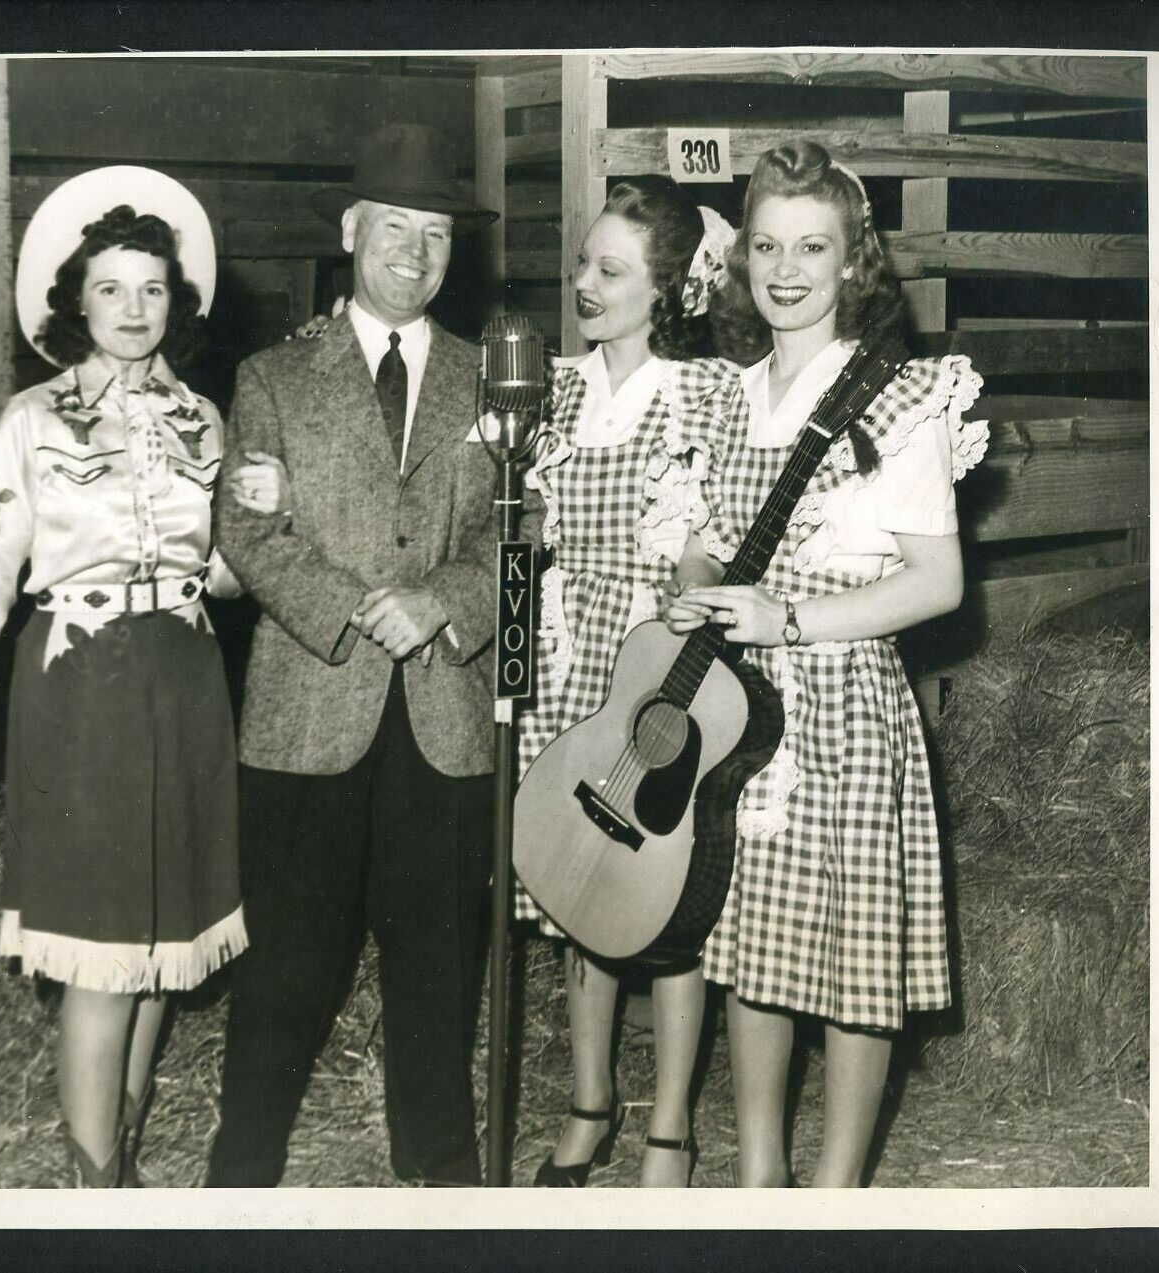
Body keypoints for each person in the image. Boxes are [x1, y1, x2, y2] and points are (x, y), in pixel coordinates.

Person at [0, 167, 286, 1187]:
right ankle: (97, 1187)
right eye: (111, 288)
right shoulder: (32, 420)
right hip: (80, 689)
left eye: (152, 289)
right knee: (100, 945)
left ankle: (121, 1120)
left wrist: (259, 517)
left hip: (184, 679)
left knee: (165, 929)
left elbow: (224, 578)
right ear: (75, 300)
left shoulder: (206, 421)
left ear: (178, 301)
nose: (132, 309)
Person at [660, 141, 988, 1187]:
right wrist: (700, 576)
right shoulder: (721, 391)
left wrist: (786, 616)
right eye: (766, 245)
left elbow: (938, 585)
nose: (786, 268)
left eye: (813, 246)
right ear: (743, 257)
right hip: (735, 712)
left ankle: (838, 1195)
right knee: (752, 944)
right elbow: (704, 530)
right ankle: (762, 1178)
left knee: (853, 963)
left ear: (856, 262)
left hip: (842, 702)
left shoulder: (898, 399)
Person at [205, 124, 501, 1188]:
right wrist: (350, 608)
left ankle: (443, 1188)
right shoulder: (275, 377)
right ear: (351, 232)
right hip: (306, 719)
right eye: (394, 229)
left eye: (434, 234)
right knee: (283, 975)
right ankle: (238, 1182)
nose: (414, 254)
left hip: (443, 722)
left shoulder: (498, 381)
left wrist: (442, 604)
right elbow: (248, 532)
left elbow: (522, 531)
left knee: (438, 977)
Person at [513, 177, 738, 1188]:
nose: (584, 283)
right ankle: (589, 1104)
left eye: (610, 270)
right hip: (564, 661)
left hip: (648, 670)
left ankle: (669, 1129)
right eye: (583, 264)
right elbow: (520, 534)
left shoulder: (696, 396)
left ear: (664, 291)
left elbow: (700, 556)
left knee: (665, 906)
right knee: (578, 892)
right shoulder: (551, 389)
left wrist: (678, 631)